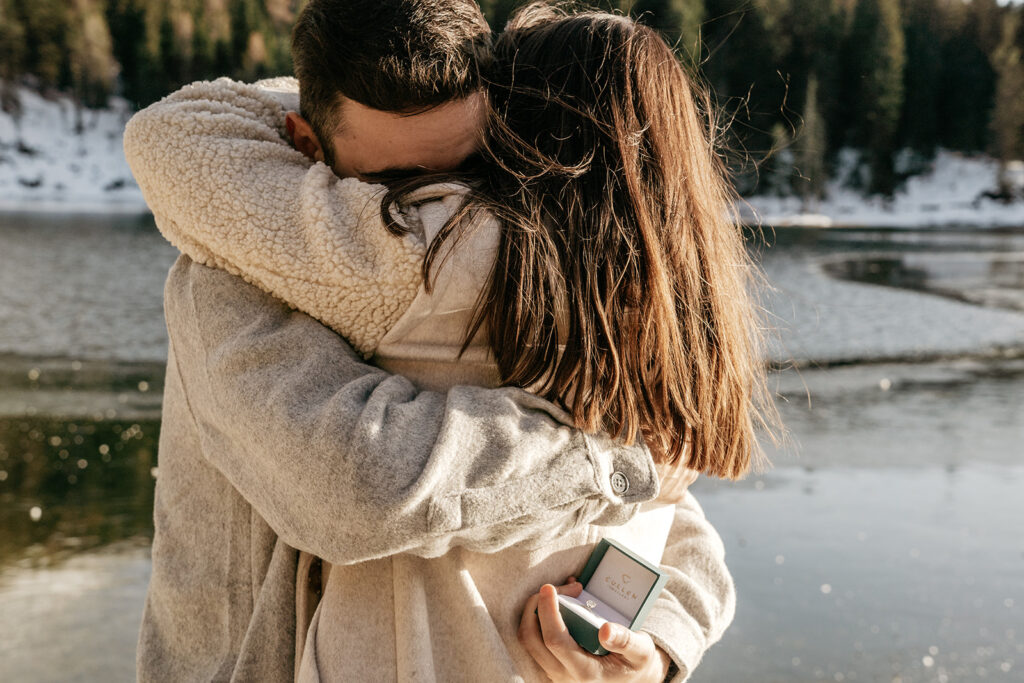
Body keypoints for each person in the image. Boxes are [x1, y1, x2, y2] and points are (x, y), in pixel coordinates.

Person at [124, 1, 748, 681]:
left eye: (476, 170)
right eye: (395, 187)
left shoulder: (540, 281)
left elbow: (663, 501)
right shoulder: (236, 276)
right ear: (305, 145)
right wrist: (610, 461)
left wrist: (656, 641)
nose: (444, 203)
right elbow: (358, 484)